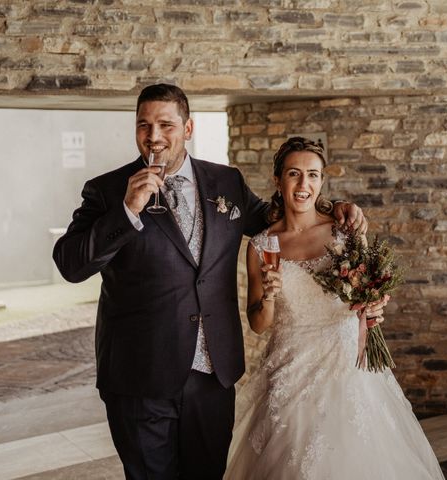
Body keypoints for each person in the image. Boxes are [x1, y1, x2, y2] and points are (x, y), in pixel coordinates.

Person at [52, 84, 366, 480]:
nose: (153, 136)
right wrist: (127, 210)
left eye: (166, 124)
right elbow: (70, 264)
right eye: (144, 125)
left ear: (188, 128)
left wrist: (333, 208)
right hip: (140, 378)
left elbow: (280, 217)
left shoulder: (227, 183)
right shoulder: (107, 190)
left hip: (212, 377)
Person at [224, 137, 445, 479]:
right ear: (278, 180)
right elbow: (257, 323)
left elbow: (366, 292)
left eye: (313, 175)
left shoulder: (345, 231)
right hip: (290, 367)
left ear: (322, 181)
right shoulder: (261, 245)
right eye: (294, 174)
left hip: (348, 366)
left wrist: (372, 308)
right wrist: (269, 295)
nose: (304, 185)